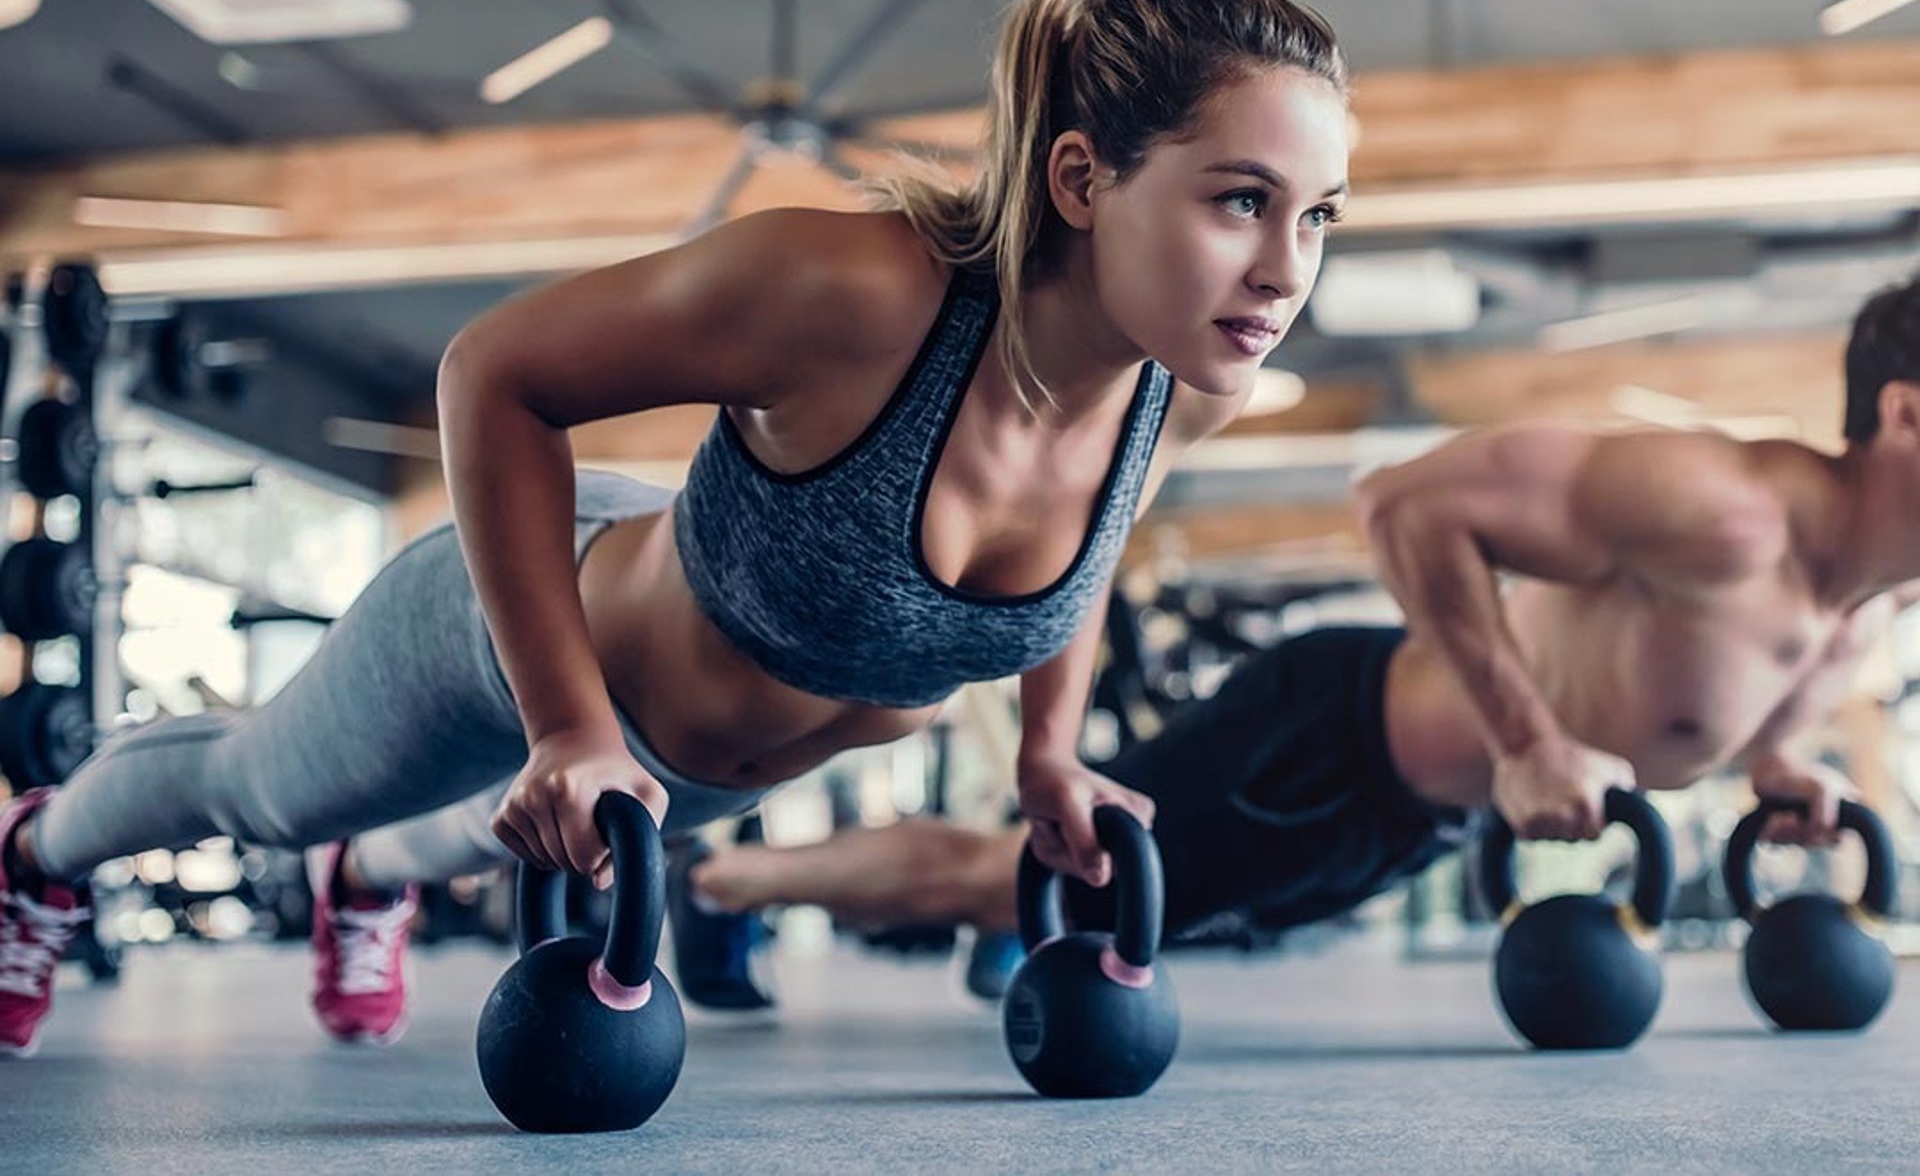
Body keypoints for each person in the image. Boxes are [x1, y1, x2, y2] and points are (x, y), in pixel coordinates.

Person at [0, 0, 1355, 1054]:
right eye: (1244, 200)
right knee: (266, 794)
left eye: (1319, 218)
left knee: (469, 827)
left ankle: (373, 881)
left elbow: (1082, 554)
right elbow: (496, 373)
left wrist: (1048, 751)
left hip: (676, 772)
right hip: (531, 637)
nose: (1285, 268)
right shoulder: (858, 294)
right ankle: (39, 848)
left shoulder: (1187, 389)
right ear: (1080, 180)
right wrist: (567, 719)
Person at [666, 273, 1920, 991]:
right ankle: (726, 879)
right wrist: (1528, 737)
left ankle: (1014, 931)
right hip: (1321, 736)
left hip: (1406, 818)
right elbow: (1406, 502)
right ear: (1904, 414)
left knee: (1048, 898)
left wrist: (1780, 770)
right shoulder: (1723, 508)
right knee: (1006, 876)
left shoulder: (1871, 599)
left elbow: (1738, 702)